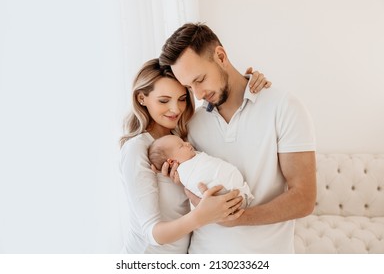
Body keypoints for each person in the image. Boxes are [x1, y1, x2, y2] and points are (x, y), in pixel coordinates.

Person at [159, 22, 317, 253]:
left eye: (200, 79)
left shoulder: (284, 107)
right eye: (188, 86)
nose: (198, 94)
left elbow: (304, 199)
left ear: (220, 56)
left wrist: (236, 218)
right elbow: (195, 196)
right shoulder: (191, 122)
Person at [119, 58, 270, 253]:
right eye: (164, 100)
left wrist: (249, 83)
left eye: (182, 99)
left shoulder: (182, 139)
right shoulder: (137, 149)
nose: (175, 109)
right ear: (142, 98)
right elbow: (152, 234)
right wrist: (202, 215)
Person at [148, 135, 254, 209]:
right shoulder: (185, 172)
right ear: (171, 161)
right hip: (226, 193)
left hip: (235, 187)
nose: (188, 143)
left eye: (184, 141)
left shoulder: (193, 158)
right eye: (181, 145)